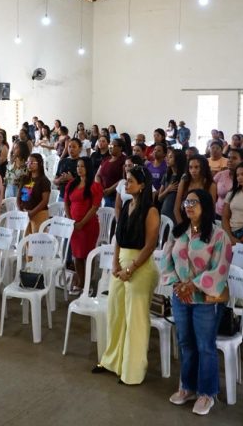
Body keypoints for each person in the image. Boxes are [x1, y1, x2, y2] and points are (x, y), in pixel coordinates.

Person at [163, 188, 232, 416]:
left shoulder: (218, 234)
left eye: (193, 202)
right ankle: (187, 387)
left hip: (205, 298)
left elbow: (220, 267)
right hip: (180, 295)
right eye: (186, 202)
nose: (188, 206)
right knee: (185, 343)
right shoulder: (179, 231)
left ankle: (207, 392)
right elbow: (167, 259)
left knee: (205, 346)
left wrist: (191, 286)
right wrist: (176, 284)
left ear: (205, 206)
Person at [93, 165, 160, 385]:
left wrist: (131, 268)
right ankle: (112, 361)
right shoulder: (128, 205)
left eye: (130, 180)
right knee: (115, 314)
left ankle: (132, 371)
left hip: (140, 266)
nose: (126, 183)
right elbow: (118, 238)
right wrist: (114, 263)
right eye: (126, 180)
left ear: (142, 185)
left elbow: (150, 245)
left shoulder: (150, 210)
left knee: (136, 320)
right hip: (120, 264)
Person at [64, 157, 103, 293]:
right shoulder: (72, 184)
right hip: (74, 225)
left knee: (87, 255)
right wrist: (71, 221)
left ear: (88, 168)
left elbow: (95, 207)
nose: (79, 169)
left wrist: (81, 223)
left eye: (82, 166)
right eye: (78, 166)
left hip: (88, 225)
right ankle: (80, 282)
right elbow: (66, 203)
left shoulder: (94, 186)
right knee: (77, 255)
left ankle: (88, 284)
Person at [174, 155, 217, 224]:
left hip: (204, 220)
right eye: (190, 167)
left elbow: (211, 210)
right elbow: (176, 209)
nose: (193, 170)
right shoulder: (184, 182)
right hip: (184, 219)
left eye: (196, 167)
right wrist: (182, 226)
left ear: (203, 168)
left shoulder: (211, 185)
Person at [17, 153, 51, 234]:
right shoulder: (25, 178)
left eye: (32, 162)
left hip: (39, 213)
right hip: (25, 213)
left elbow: (45, 201)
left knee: (36, 242)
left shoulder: (44, 181)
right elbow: (18, 196)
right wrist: (20, 209)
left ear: (40, 164)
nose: (29, 165)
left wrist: (32, 213)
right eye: (28, 163)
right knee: (26, 241)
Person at [156, 148, 187, 223]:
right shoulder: (166, 175)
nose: (167, 159)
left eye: (171, 157)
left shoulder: (184, 177)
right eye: (167, 156)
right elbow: (159, 198)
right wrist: (168, 189)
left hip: (177, 214)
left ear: (178, 159)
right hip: (164, 212)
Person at [96, 138, 125, 207]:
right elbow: (97, 175)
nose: (110, 147)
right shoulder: (106, 159)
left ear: (120, 148)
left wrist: (110, 189)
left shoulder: (124, 160)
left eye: (113, 146)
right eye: (110, 146)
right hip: (102, 194)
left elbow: (124, 179)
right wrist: (99, 187)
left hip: (115, 196)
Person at [114, 155, 144, 219]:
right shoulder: (122, 182)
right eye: (126, 166)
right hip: (123, 218)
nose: (127, 168)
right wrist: (119, 222)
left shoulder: (144, 183)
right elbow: (117, 206)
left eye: (129, 165)